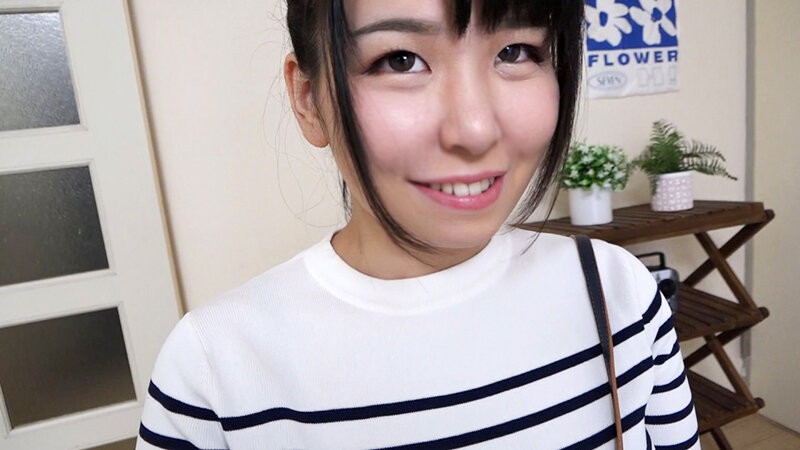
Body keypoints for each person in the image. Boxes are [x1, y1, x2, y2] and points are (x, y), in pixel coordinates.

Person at [137, 1, 699, 448]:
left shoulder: (618, 293)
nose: (475, 129)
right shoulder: (215, 370)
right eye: (400, 60)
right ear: (308, 100)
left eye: (517, 51)